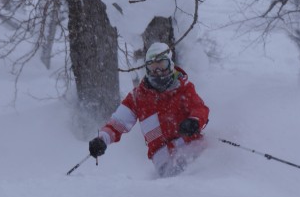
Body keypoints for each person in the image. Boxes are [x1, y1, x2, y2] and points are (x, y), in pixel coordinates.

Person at [88, 42, 210, 177]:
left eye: (162, 65)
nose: (158, 72)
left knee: (200, 174)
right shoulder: (138, 97)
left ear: (170, 64)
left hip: (190, 148)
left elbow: (199, 109)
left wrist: (194, 121)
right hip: (164, 161)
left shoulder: (183, 88)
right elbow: (117, 123)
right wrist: (102, 139)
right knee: (176, 180)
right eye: (152, 67)